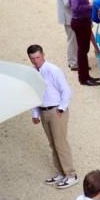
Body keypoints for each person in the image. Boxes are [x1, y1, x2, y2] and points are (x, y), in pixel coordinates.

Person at [27, 45, 77, 188]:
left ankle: (70, 174)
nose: (36, 61)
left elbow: (66, 90)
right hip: (43, 111)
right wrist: (35, 113)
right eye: (33, 59)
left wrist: (61, 109)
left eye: (38, 57)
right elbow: (34, 94)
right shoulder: (33, 73)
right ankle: (61, 172)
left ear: (43, 55)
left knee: (60, 143)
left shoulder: (53, 70)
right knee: (52, 143)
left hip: (55, 110)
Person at [67, 0, 100, 86]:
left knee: (84, 50)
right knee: (82, 50)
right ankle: (83, 78)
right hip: (80, 21)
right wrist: (90, 5)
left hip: (81, 20)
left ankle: (85, 75)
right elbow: (75, 7)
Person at [55, 0, 78, 70]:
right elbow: (67, 2)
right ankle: (73, 62)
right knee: (72, 40)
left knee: (72, 39)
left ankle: (74, 61)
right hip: (69, 16)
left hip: (67, 15)